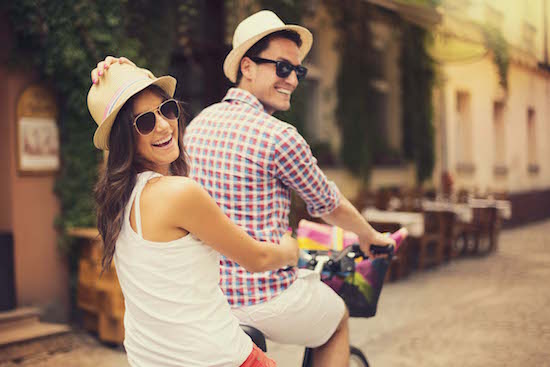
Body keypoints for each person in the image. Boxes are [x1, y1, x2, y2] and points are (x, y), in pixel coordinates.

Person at [91, 10, 395, 367]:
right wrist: (352, 236)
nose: (293, 80)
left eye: (298, 71)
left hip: (196, 315)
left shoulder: (192, 133)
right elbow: (325, 205)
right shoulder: (279, 137)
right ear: (247, 67)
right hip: (256, 299)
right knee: (336, 317)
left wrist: (121, 79)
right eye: (283, 68)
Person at [87, 62, 301, 366]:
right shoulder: (179, 193)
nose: (163, 125)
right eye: (145, 122)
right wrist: (290, 250)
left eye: (167, 109)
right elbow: (258, 259)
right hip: (217, 358)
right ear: (124, 138)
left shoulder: (117, 201)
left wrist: (119, 70)